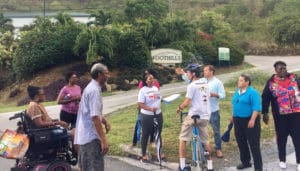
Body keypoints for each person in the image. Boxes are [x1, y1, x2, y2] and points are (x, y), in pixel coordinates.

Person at [262, 61, 300, 171]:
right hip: (280, 116)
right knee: (281, 138)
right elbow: (265, 98)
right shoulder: (271, 82)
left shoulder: (295, 79)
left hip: (296, 115)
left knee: (298, 138)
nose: (283, 70)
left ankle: (299, 161)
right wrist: (265, 113)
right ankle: (282, 160)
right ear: (275, 70)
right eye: (280, 69)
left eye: (284, 68)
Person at [176, 63, 213, 171]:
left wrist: (180, 108)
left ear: (193, 74)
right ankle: (210, 166)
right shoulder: (206, 84)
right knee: (205, 141)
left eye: (187, 72)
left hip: (194, 116)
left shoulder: (191, 86)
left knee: (182, 139)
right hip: (205, 116)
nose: (186, 74)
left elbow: (187, 101)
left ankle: (182, 165)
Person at [74, 63, 111, 171]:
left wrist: (105, 121)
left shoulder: (91, 87)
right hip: (90, 137)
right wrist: (104, 140)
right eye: (106, 73)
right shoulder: (94, 91)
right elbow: (94, 117)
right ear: (100, 75)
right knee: (94, 167)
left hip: (84, 135)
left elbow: (92, 112)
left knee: (84, 167)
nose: (108, 75)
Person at [231, 74, 262, 171]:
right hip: (238, 120)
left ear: (247, 82)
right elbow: (235, 104)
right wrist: (233, 116)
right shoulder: (237, 91)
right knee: (241, 142)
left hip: (249, 120)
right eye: (238, 80)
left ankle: (258, 167)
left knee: (254, 144)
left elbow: (256, 107)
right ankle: (246, 162)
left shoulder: (252, 92)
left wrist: (252, 119)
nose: (238, 82)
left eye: (241, 80)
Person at [138, 74, 164, 163]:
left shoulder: (156, 88)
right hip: (147, 115)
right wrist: (150, 108)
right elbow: (140, 104)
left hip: (158, 114)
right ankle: (144, 154)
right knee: (145, 134)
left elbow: (158, 99)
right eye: (150, 79)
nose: (152, 80)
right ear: (146, 81)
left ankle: (159, 153)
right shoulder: (142, 91)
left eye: (153, 78)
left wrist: (162, 100)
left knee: (158, 133)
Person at [131, 68, 160, 147]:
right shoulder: (142, 85)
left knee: (153, 125)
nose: (146, 75)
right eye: (145, 74)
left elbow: (157, 96)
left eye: (148, 74)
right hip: (144, 109)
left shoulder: (156, 84)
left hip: (153, 109)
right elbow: (141, 98)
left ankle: (152, 140)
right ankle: (135, 141)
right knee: (139, 124)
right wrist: (140, 106)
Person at [202, 65, 225, 158]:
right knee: (203, 131)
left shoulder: (217, 82)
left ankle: (218, 149)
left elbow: (223, 95)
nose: (204, 72)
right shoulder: (202, 81)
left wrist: (213, 94)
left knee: (216, 131)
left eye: (206, 70)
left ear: (211, 71)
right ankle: (206, 149)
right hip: (203, 111)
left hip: (213, 110)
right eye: (204, 70)